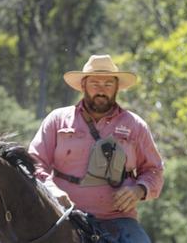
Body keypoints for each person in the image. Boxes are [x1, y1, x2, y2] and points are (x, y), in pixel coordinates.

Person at [29, 54, 164, 243]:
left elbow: (154, 171)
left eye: (108, 84)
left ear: (117, 87)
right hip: (62, 215)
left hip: (118, 220)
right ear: (83, 85)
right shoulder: (57, 119)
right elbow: (32, 164)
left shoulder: (135, 125)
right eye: (95, 83)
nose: (101, 90)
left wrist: (139, 190)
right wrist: (52, 192)